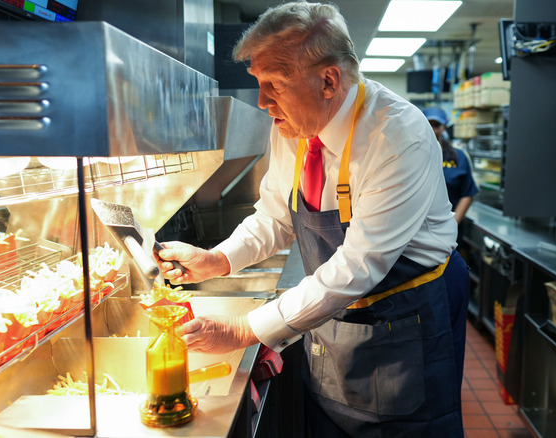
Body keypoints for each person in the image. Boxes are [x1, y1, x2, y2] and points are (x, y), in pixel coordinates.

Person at [156, 2, 469, 436]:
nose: (264, 102)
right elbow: (274, 215)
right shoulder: (294, 124)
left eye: (275, 85)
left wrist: (245, 329)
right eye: (258, 84)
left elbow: (361, 264)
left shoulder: (396, 135)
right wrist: (218, 259)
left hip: (407, 312)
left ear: (328, 80)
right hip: (337, 313)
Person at [422, 106, 479, 224]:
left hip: (450, 226)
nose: (432, 130)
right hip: (418, 229)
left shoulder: (459, 157)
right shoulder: (414, 156)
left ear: (444, 127)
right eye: (429, 125)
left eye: (436, 125)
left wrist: (452, 226)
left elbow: (467, 193)